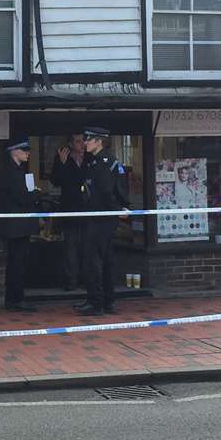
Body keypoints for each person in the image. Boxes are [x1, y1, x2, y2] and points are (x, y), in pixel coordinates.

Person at [75, 125, 129, 316]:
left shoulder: (104, 163)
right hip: (99, 216)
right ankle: (105, 301)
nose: (85, 143)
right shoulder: (94, 161)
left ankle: (96, 303)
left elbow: (106, 192)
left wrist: (116, 210)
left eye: (88, 139)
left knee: (94, 262)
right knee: (104, 261)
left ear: (99, 141)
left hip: (100, 218)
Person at [0, 138, 39, 312]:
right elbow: (23, 198)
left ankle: (14, 298)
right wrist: (36, 193)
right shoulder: (10, 173)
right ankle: (15, 299)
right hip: (16, 226)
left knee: (17, 263)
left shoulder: (16, 171)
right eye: (24, 149)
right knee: (17, 263)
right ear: (14, 151)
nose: (28, 153)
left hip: (18, 226)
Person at [47, 132, 88, 290]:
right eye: (78, 142)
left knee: (87, 245)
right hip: (70, 208)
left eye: (83, 141)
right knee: (71, 246)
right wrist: (63, 164)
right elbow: (55, 181)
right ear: (71, 144)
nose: (82, 145)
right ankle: (72, 281)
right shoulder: (63, 157)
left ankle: (87, 279)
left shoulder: (90, 158)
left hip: (87, 208)